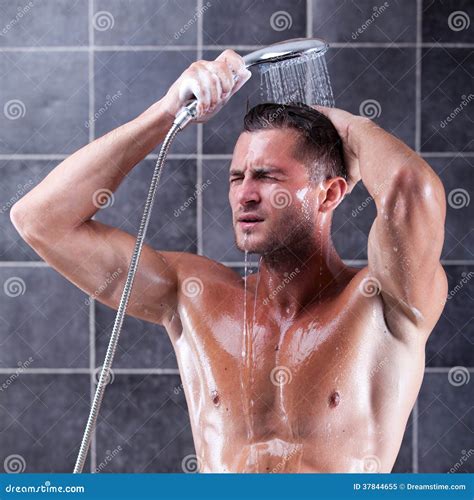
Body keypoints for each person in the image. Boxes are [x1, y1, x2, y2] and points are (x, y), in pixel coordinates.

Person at [10, 49, 447, 473]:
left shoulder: (384, 301)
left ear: (330, 193)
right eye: (237, 177)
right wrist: (165, 113)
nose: (245, 194)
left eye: (267, 176)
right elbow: (41, 219)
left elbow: (411, 189)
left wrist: (347, 128)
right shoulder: (191, 296)